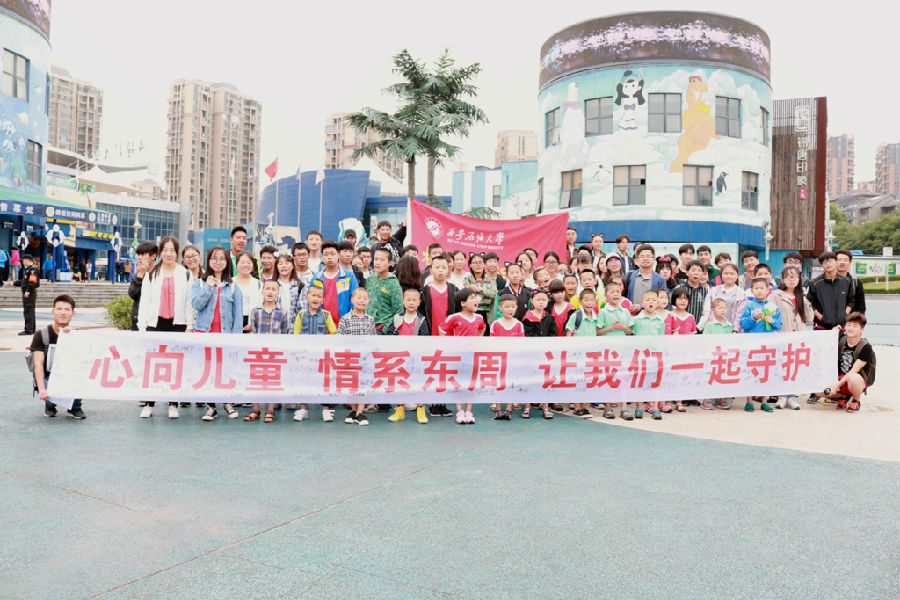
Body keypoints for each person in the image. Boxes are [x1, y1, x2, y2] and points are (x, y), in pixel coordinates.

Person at [137, 236, 195, 418]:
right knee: (153, 364)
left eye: (172, 250)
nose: (169, 253)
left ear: (177, 253)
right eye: (165, 250)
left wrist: (189, 325)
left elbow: (189, 302)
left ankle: (173, 403)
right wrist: (142, 327)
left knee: (175, 365)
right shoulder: (151, 274)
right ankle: (149, 403)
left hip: (178, 324)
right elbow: (144, 302)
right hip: (156, 324)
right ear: (160, 252)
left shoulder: (185, 274)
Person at [192, 245, 244, 421]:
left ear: (227, 262)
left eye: (222, 258)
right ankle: (211, 407)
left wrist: (236, 339)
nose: (218, 262)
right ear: (208, 261)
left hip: (225, 336)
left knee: (224, 370)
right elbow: (196, 304)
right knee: (207, 371)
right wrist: (208, 287)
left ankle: (227, 402)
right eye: (214, 258)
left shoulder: (234, 287)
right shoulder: (199, 283)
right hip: (204, 334)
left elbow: (238, 317)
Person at [244, 279, 293, 423]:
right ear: (262, 291)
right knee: (256, 379)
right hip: (258, 352)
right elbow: (253, 330)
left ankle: (270, 409)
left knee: (272, 380)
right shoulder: (255, 311)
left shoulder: (282, 312)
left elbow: (284, 330)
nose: (270, 291)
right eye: (268, 288)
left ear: (278, 293)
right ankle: (256, 409)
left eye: (274, 289)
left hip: (274, 353)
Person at [29, 294, 85, 419]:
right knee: (48, 388)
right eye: (59, 309)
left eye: (67, 309)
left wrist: (70, 337)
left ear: (73, 313)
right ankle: (49, 405)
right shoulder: (41, 334)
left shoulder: (77, 335)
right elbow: (38, 364)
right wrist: (42, 389)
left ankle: (75, 407)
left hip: (69, 375)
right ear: (53, 312)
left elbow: (83, 362)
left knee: (80, 378)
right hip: (49, 376)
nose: (63, 313)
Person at [383, 287, 431, 424]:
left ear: (419, 302)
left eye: (414, 300)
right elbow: (390, 335)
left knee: (418, 382)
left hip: (416, 358)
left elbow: (425, 338)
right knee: (400, 382)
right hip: (400, 357)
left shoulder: (421, 320)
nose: (411, 302)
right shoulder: (397, 318)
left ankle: (420, 409)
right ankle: (400, 409)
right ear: (403, 302)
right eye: (408, 300)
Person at [291, 282, 337, 422]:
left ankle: (326, 409)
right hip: (305, 355)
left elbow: (334, 333)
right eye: (313, 295)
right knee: (303, 381)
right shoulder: (301, 315)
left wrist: (327, 346)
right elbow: (296, 334)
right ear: (307, 298)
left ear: (323, 300)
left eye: (319, 296)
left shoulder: (326, 315)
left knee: (324, 381)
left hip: (322, 356)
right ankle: (303, 409)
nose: (316, 298)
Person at [439, 287, 486, 424]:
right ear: (463, 303)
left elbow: (482, 329)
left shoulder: (479, 318)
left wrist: (477, 342)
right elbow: (442, 330)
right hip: (458, 357)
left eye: (475, 298)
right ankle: (459, 411)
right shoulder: (454, 318)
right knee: (458, 382)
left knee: (471, 382)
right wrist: (450, 346)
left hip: (472, 357)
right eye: (472, 298)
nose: (475, 301)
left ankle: (469, 411)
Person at [421, 254, 458, 419]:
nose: (441, 270)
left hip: (449, 338)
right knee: (433, 369)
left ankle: (443, 403)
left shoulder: (453, 290)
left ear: (449, 269)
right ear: (431, 270)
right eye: (437, 267)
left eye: (444, 267)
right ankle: (433, 403)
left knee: (446, 369)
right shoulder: (425, 291)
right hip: (431, 335)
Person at [771, 266, 812, 410]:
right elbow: (770, 314)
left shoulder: (801, 296)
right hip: (782, 336)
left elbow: (810, 318)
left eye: (794, 276)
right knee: (782, 366)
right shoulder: (776, 295)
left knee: (795, 367)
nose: (791, 279)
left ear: (799, 279)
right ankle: (782, 396)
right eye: (788, 277)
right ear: (783, 279)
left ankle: (792, 397)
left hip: (798, 338)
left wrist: (805, 300)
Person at [740, 277, 783, 413]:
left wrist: (771, 321)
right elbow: (743, 324)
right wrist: (753, 318)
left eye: (762, 288)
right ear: (752, 291)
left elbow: (779, 325)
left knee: (767, 372)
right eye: (756, 288)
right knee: (750, 371)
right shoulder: (749, 306)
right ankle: (749, 401)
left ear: (768, 290)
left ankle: (765, 401)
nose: (759, 291)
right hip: (751, 344)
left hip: (768, 344)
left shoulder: (773, 307)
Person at [819, 312, 875, 412]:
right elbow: (824, 349)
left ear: (861, 330)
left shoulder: (866, 347)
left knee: (853, 377)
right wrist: (831, 334)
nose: (850, 328)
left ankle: (856, 400)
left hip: (856, 381)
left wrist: (835, 386)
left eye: (855, 326)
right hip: (839, 378)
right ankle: (843, 396)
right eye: (848, 325)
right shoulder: (841, 339)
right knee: (817, 390)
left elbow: (854, 370)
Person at [338, 288, 376, 425]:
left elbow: (373, 339)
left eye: (365, 298)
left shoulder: (370, 319)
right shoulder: (345, 319)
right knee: (352, 385)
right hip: (350, 358)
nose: (362, 301)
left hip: (365, 359)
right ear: (352, 300)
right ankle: (354, 411)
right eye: (359, 298)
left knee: (363, 385)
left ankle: (360, 412)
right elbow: (339, 338)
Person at [597, 279, 634, 420]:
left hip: (623, 350)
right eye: (612, 292)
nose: (615, 294)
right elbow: (598, 331)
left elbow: (630, 331)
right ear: (606, 295)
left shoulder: (625, 311)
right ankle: (608, 407)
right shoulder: (603, 311)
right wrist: (611, 328)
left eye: (618, 292)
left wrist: (623, 328)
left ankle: (624, 408)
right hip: (608, 351)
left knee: (623, 379)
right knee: (609, 378)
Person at [522, 288, 557, 419]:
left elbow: (553, 334)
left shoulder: (550, 318)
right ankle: (527, 407)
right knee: (529, 379)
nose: (541, 302)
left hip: (546, 354)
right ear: (532, 301)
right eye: (538, 299)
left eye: (544, 300)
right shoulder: (527, 318)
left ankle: (546, 407)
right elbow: (528, 335)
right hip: (532, 354)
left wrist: (547, 346)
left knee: (545, 380)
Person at [566, 289, 600, 418]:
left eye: (592, 300)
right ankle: (577, 407)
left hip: (591, 354)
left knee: (587, 379)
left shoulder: (596, 316)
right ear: (580, 301)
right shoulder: (576, 316)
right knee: (577, 379)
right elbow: (569, 333)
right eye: (586, 300)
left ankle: (584, 407)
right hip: (577, 353)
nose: (589, 303)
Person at [631, 289, 665, 419]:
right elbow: (633, 335)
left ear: (657, 303)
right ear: (642, 302)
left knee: (655, 381)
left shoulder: (659, 320)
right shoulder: (637, 319)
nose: (651, 302)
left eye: (654, 300)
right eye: (647, 300)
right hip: (640, 355)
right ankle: (639, 407)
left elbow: (661, 338)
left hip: (655, 355)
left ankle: (655, 407)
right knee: (639, 381)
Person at [490, 293, 525, 420]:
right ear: (500, 308)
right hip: (499, 360)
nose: (510, 309)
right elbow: (491, 343)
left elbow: (522, 343)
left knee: (511, 383)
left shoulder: (519, 325)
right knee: (498, 383)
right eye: (507, 306)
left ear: (516, 307)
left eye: (512, 306)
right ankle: (498, 408)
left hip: (513, 361)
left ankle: (509, 409)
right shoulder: (495, 324)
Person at [666, 286, 697, 413]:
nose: (683, 301)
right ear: (674, 300)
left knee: (681, 376)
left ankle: (679, 401)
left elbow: (693, 334)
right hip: (671, 350)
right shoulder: (669, 315)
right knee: (670, 376)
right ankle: (668, 401)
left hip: (685, 351)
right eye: (679, 298)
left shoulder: (691, 317)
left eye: (685, 299)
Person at [311, 240, 358, 323]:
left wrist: (351, 319)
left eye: (332, 254)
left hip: (344, 323)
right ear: (322, 257)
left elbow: (355, 298)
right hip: (322, 324)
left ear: (338, 255)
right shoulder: (316, 278)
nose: (329, 257)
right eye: (326, 254)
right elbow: (311, 302)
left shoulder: (349, 276)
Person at [702, 297, 735, 410]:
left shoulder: (730, 326)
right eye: (720, 308)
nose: (723, 310)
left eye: (724, 308)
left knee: (724, 377)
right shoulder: (710, 325)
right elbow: (705, 341)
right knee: (712, 377)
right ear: (713, 309)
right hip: (713, 357)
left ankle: (723, 398)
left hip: (725, 357)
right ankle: (709, 399)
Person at [807, 251, 853, 331]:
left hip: (841, 327)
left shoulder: (846, 281)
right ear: (822, 265)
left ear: (836, 262)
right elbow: (810, 303)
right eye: (824, 262)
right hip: (821, 328)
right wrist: (820, 317)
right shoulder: (814, 283)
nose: (828, 264)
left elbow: (851, 301)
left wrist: (844, 315)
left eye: (830, 261)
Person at [698, 263, 747, 332]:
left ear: (737, 275)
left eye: (732, 273)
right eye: (726, 273)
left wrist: (735, 329)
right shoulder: (713, 291)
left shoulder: (741, 293)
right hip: (714, 329)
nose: (729, 276)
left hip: (732, 329)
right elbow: (708, 310)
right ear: (721, 275)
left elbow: (740, 314)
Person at [366, 247, 403, 333]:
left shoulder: (393, 283)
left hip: (383, 328)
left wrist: (386, 328)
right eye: (376, 259)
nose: (377, 263)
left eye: (382, 260)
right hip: (367, 326)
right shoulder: (370, 279)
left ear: (390, 263)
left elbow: (398, 310)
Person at [625, 243, 667, 311]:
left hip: (651, 315)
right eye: (642, 256)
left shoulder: (660, 280)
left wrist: (641, 306)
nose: (645, 259)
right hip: (630, 315)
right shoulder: (630, 276)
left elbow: (662, 301)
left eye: (648, 256)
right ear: (637, 260)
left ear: (654, 260)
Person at [128, 242, 158, 331]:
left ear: (153, 256)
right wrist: (140, 276)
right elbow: (132, 295)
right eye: (138, 254)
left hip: (154, 322)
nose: (139, 257)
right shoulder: (137, 275)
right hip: (137, 320)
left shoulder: (159, 274)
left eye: (143, 254)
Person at [463, 252, 497, 328]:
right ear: (470, 265)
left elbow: (494, 295)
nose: (478, 265)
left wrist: (480, 290)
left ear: (484, 264)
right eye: (475, 263)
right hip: (471, 313)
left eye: (480, 262)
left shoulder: (491, 280)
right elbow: (465, 297)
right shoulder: (466, 280)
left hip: (487, 315)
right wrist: (487, 299)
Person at [9, 254, 39, 335]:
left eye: (23, 260)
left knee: (28, 312)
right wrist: (14, 283)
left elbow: (32, 281)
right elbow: (24, 281)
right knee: (30, 311)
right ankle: (31, 329)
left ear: (27, 260)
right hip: (28, 292)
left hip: (29, 293)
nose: (22, 262)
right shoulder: (29, 269)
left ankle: (28, 330)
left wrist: (28, 291)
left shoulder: (33, 270)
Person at [233, 252, 262, 333]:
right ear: (236, 265)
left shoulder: (258, 284)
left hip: (252, 321)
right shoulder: (230, 282)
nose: (246, 265)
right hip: (233, 321)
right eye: (242, 262)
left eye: (249, 263)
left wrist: (252, 323)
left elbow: (261, 305)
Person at [275, 254, 305, 324]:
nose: (284, 266)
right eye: (280, 264)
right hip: (275, 327)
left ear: (293, 266)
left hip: (294, 327)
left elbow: (302, 310)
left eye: (287, 263)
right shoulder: (271, 285)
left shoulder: (300, 286)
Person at [835, 249, 866, 315]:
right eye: (839, 259)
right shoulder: (827, 280)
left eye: (845, 260)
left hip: (850, 319)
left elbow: (861, 306)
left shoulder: (856, 282)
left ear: (849, 263)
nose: (842, 262)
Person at [680, 260, 708, 325]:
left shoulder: (705, 291)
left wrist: (698, 327)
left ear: (702, 273)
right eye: (693, 270)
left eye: (699, 271)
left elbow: (706, 312)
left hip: (698, 327)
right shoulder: (680, 288)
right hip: (681, 326)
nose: (696, 273)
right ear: (687, 272)